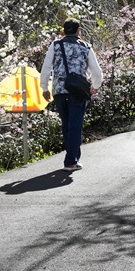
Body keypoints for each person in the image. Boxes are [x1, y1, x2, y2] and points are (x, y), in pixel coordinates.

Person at [41, 18, 103, 172]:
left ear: (63, 31)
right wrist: (95, 86)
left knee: (67, 125)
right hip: (78, 92)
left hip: (59, 91)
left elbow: (46, 68)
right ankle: (71, 161)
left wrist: (45, 88)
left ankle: (71, 157)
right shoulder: (85, 46)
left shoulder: (55, 45)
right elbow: (97, 72)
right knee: (75, 126)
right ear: (78, 31)